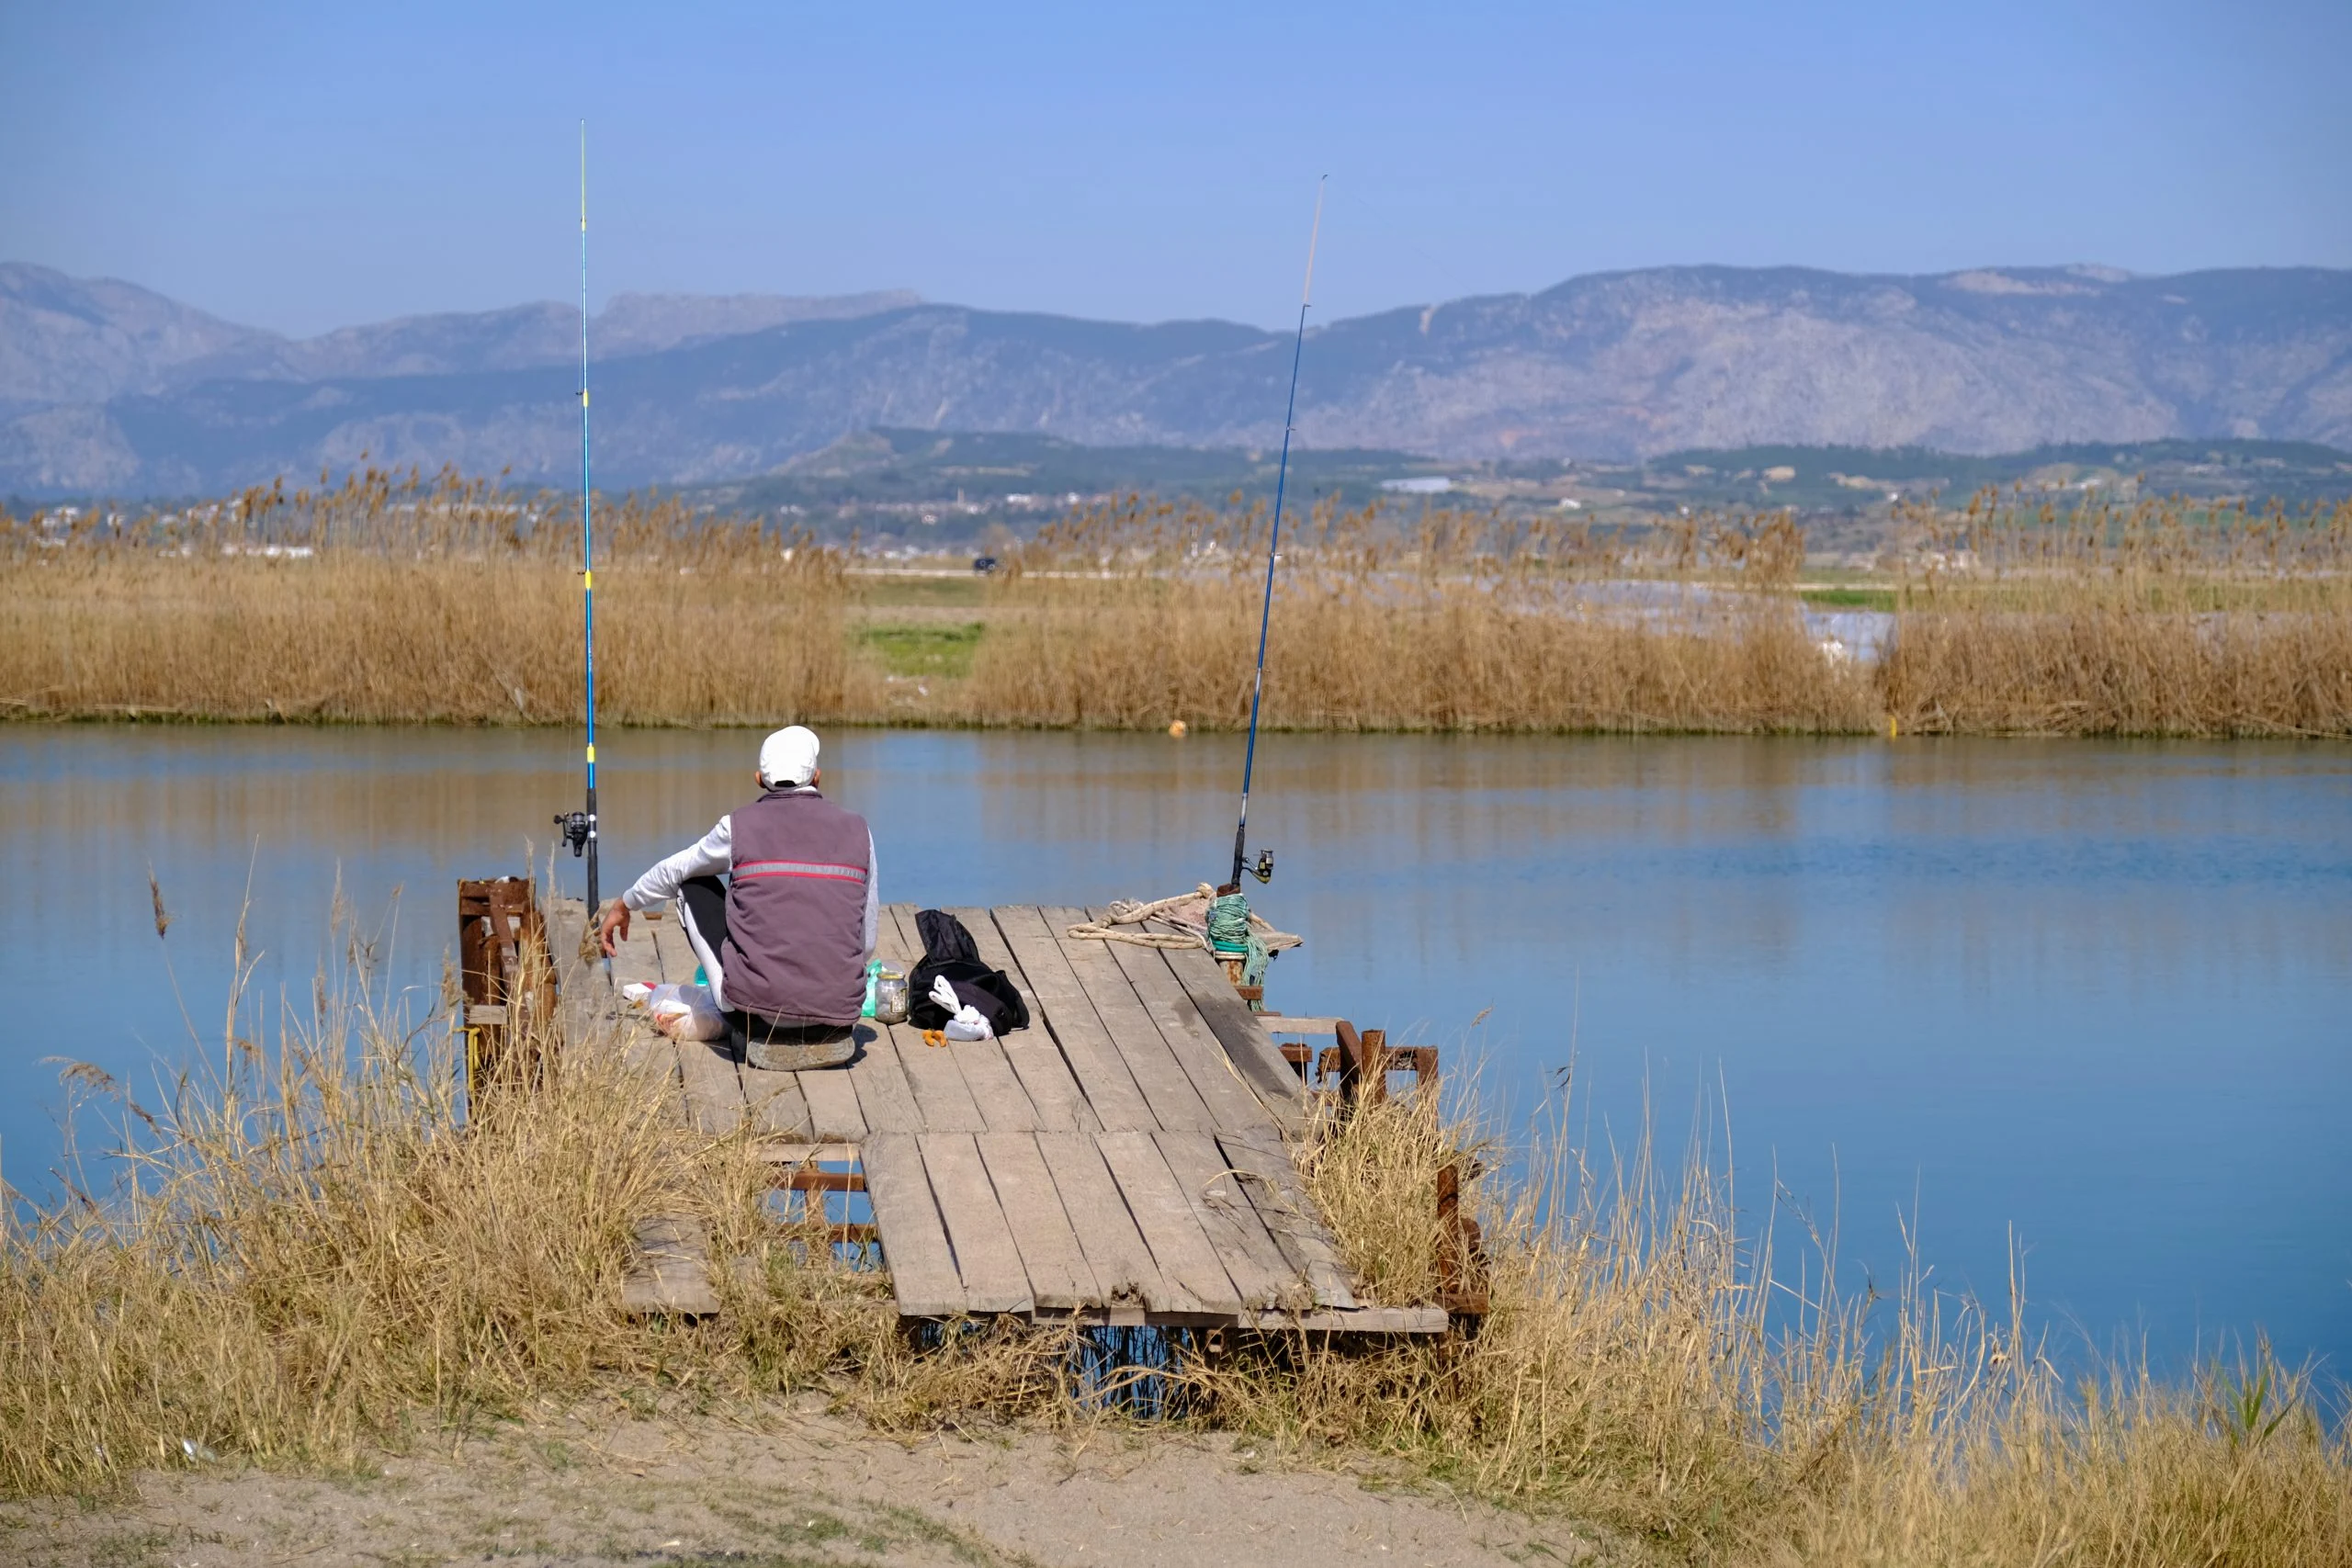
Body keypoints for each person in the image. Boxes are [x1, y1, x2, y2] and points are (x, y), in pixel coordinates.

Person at [598, 725, 876, 1070]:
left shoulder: (737, 827)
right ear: (817, 777)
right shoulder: (858, 831)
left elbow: (674, 870)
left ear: (759, 779)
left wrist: (624, 904)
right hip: (838, 1018)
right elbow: (865, 945)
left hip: (754, 1020)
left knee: (691, 885)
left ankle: (739, 995)